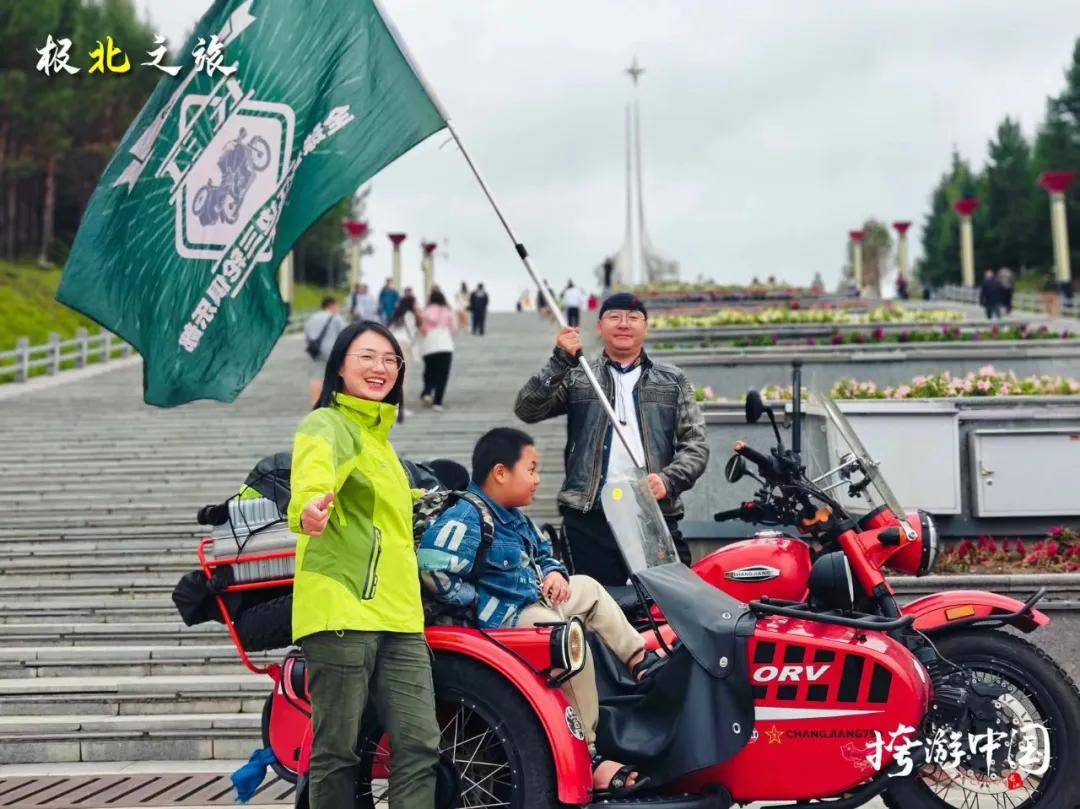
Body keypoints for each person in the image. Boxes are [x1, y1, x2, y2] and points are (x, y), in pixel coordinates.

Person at [417, 427, 664, 795]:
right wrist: (479, 601)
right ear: (500, 473)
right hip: (506, 618)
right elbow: (432, 568)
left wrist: (554, 574)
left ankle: (641, 661)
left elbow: (546, 553)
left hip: (534, 599)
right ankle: (589, 755)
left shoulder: (515, 518)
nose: (537, 480)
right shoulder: (467, 516)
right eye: (531, 470)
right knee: (568, 642)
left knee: (588, 588)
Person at [288, 321, 439, 809]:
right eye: (367, 357)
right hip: (342, 608)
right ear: (340, 366)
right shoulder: (326, 424)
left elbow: (381, 514)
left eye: (391, 360)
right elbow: (314, 476)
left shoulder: (381, 442)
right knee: (338, 752)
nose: (380, 368)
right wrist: (309, 508)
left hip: (400, 614)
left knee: (420, 744)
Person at [514, 292, 709, 585]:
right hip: (589, 515)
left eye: (633, 318)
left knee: (665, 601)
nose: (624, 324)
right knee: (595, 602)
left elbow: (696, 444)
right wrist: (559, 360)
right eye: (614, 317)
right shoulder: (579, 376)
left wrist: (668, 480)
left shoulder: (672, 380)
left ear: (646, 327)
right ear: (600, 327)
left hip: (652, 513)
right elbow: (527, 409)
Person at [304, 297, 347, 406]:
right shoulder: (336, 317)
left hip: (316, 352)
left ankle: (316, 403)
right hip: (333, 351)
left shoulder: (312, 318)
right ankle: (334, 402)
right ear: (332, 306)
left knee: (316, 377)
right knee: (336, 375)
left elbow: (307, 334)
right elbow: (345, 333)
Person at [420, 289, 456, 411]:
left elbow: (422, 329)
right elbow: (454, 328)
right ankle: (438, 402)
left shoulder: (426, 311)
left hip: (429, 344)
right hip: (445, 345)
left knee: (429, 371)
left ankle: (427, 392)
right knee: (442, 375)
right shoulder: (447, 311)